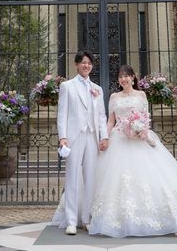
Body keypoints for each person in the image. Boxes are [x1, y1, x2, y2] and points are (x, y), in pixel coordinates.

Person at [88, 65, 177, 238]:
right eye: (120, 77)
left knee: (154, 176)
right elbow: (111, 121)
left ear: (133, 77)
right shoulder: (114, 97)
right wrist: (105, 137)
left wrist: (140, 129)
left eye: (126, 76)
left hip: (140, 140)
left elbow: (145, 117)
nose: (123, 79)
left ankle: (170, 218)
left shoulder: (141, 95)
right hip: (119, 139)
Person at [51, 51, 109, 235]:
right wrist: (62, 137)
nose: (86, 65)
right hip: (74, 136)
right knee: (73, 177)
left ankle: (86, 219)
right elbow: (62, 114)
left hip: (92, 136)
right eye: (83, 62)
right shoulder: (67, 86)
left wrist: (104, 137)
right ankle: (71, 220)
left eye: (89, 63)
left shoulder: (97, 89)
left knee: (91, 178)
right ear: (76, 65)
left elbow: (101, 116)